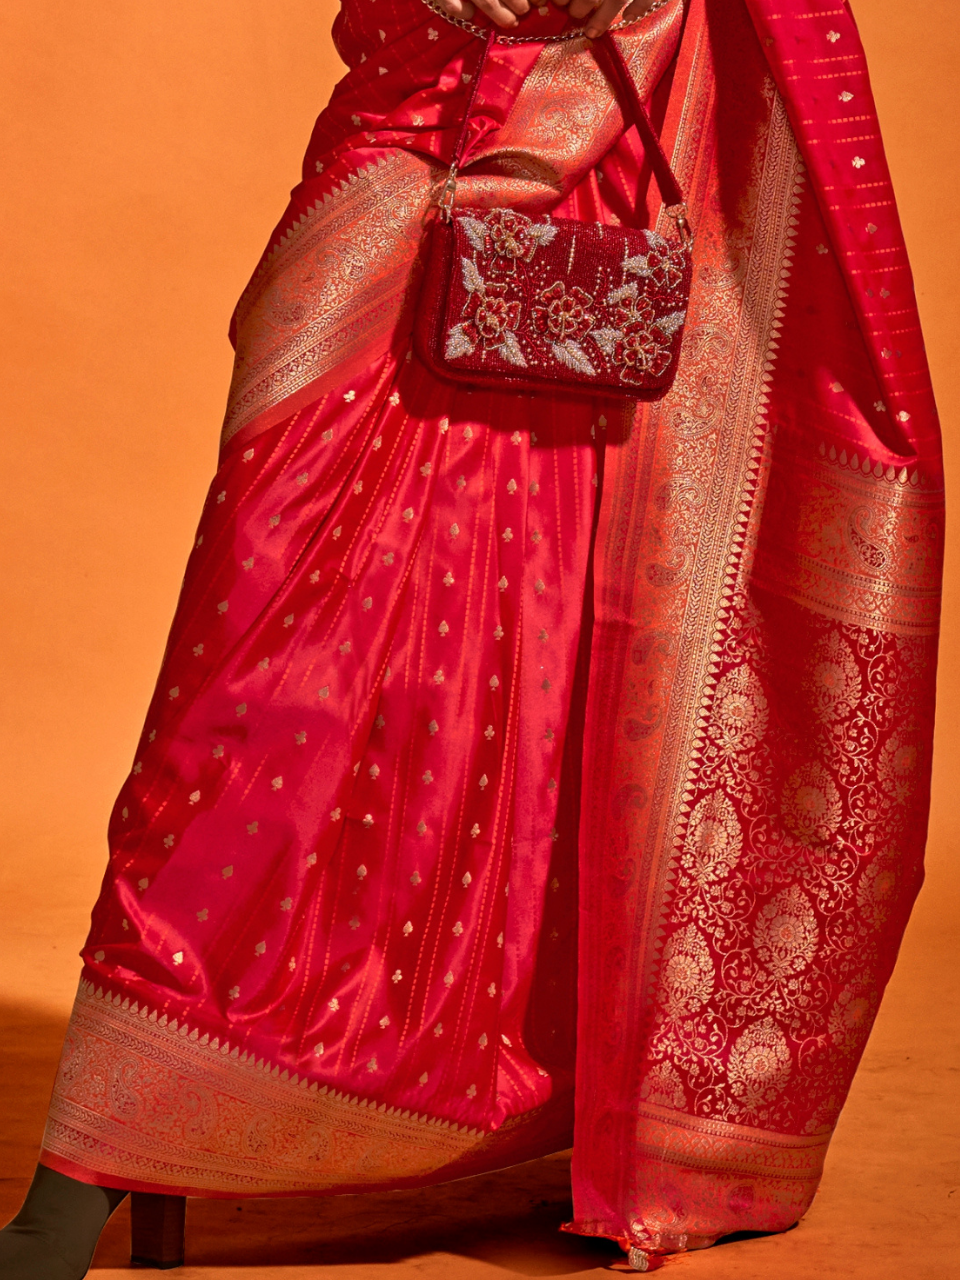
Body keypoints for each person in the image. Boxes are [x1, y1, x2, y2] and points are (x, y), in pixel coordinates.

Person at [0, 0, 943, 1274]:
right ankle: (111, 1130)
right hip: (410, 155)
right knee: (261, 668)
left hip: (590, 206)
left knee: (540, 676)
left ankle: (468, 1106)